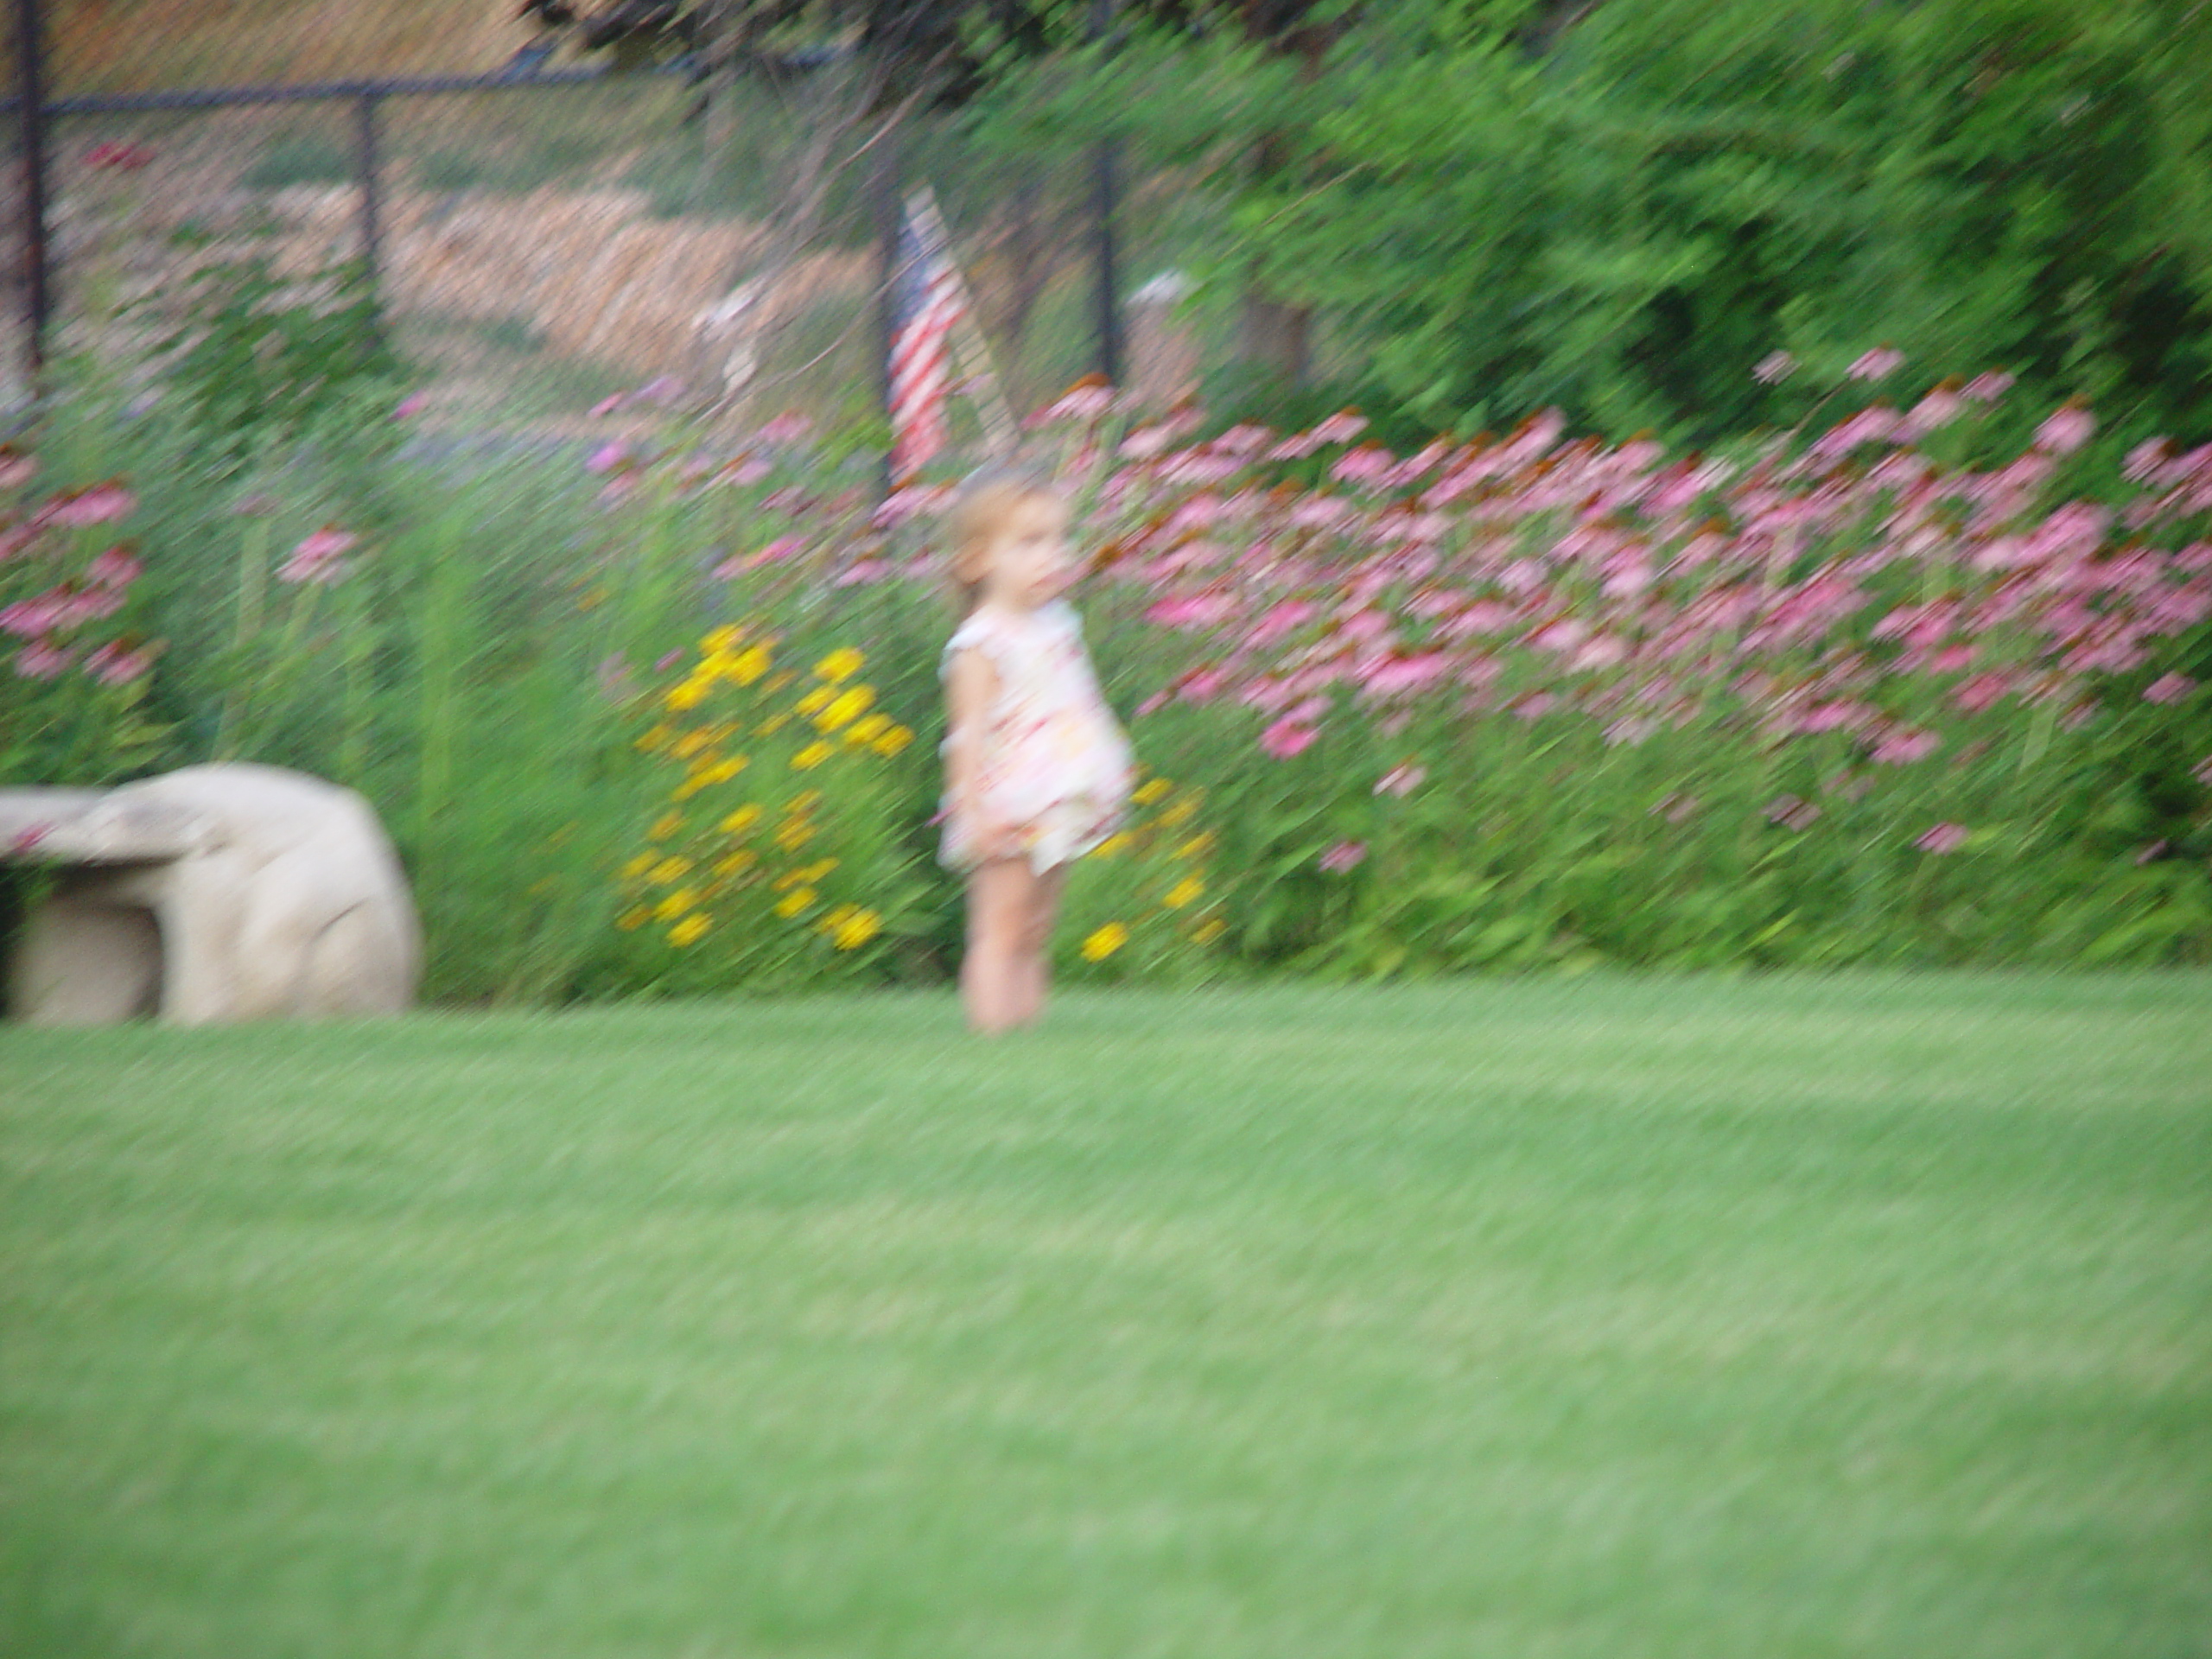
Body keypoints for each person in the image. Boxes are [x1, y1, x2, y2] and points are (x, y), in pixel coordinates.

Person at [939, 465, 1135, 1034]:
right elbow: (967, 734)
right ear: (977, 561)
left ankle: (1027, 1035)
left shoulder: (1058, 623)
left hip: (1056, 793)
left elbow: (1077, 702)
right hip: (1005, 802)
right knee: (1000, 929)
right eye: (1029, 543)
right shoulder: (981, 643)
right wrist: (972, 812)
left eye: (1057, 538)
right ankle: (994, 1037)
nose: (1052, 555)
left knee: (1035, 928)